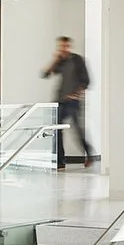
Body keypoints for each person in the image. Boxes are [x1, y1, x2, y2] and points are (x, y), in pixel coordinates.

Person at [45, 36, 94, 169]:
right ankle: (60, 161)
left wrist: (75, 94)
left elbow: (86, 81)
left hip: (73, 102)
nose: (63, 49)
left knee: (77, 130)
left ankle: (89, 154)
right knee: (57, 131)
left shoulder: (77, 60)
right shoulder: (60, 61)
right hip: (59, 101)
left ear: (69, 46)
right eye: (61, 46)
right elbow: (45, 73)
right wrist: (55, 59)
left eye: (65, 46)